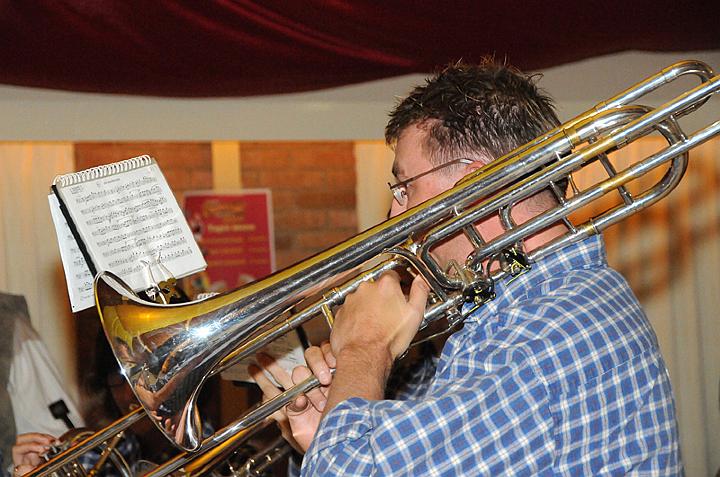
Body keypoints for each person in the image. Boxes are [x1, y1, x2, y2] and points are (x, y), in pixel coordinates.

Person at [251, 59, 682, 475]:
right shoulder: (527, 310)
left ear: (475, 188)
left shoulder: (536, 335)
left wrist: (363, 347)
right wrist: (332, 432)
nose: (393, 215)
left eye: (404, 188)